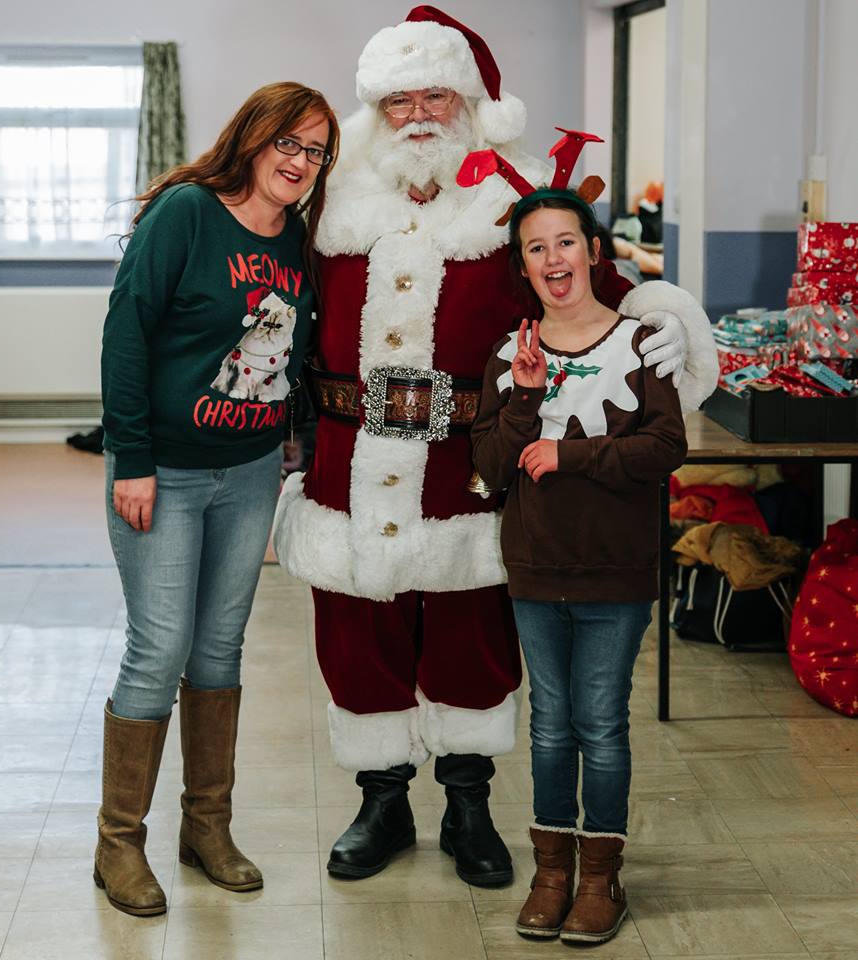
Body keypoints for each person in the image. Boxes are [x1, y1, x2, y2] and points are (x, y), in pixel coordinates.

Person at [272, 5, 717, 887]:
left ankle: (468, 804)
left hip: (471, 463)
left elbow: (590, 283)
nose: (419, 114)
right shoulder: (329, 204)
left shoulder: (513, 200)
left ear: (471, 102)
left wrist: (660, 320)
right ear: (375, 111)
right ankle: (382, 799)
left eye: (438, 93)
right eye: (400, 100)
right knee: (359, 631)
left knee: (473, 634)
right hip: (347, 457)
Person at [96, 82, 338, 917]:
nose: (301, 163)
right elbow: (126, 329)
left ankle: (208, 828)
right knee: (159, 649)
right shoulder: (187, 215)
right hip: (162, 468)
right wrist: (130, 457)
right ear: (254, 137)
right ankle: (118, 842)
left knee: (220, 649)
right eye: (290, 144)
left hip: (249, 470)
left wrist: (292, 453)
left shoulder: (299, 240)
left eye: (316, 152)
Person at [469, 164, 687, 942]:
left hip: (614, 572)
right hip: (534, 570)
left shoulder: (640, 342)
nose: (554, 259)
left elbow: (667, 445)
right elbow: (491, 466)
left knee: (601, 721)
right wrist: (526, 399)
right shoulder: (509, 351)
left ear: (594, 250)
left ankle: (601, 879)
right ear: (523, 265)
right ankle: (551, 873)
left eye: (567, 241)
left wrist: (572, 456)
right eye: (537, 248)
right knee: (550, 725)